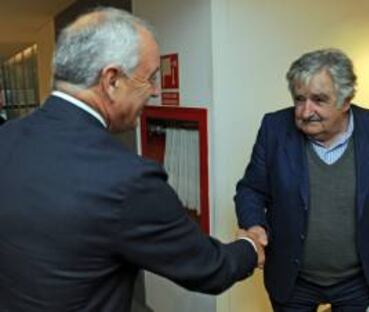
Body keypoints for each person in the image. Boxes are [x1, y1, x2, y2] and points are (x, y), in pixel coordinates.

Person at [0, 7, 264, 312]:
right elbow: (207, 268)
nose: (153, 92)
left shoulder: (7, 137)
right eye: (149, 78)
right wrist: (249, 248)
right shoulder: (127, 179)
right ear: (111, 80)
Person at [235, 48, 369, 311]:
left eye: (319, 100)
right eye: (299, 99)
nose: (306, 112)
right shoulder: (274, 128)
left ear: (345, 101)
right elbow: (251, 189)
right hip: (292, 280)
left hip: (359, 280)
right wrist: (254, 225)